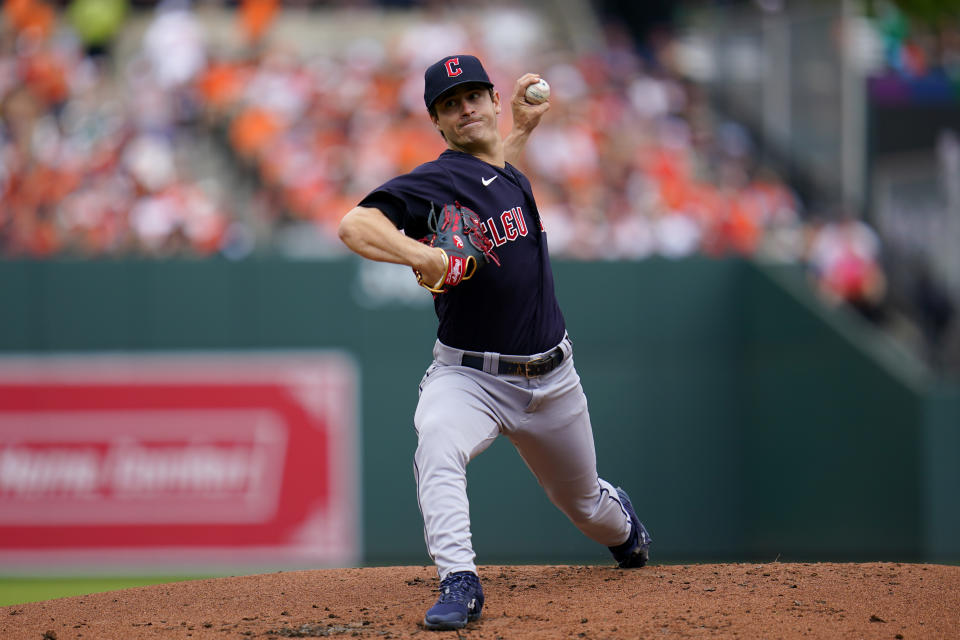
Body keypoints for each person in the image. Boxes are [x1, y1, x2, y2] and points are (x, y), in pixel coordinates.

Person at [337, 54, 652, 632]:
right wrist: (424, 254)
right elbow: (355, 225)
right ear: (438, 121)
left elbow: (494, 176)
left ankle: (625, 526)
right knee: (436, 437)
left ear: (493, 101)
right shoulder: (439, 180)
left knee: (586, 507)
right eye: (450, 105)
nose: (465, 109)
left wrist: (525, 132)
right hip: (471, 378)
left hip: (554, 379)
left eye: (473, 96)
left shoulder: (502, 170)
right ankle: (459, 579)